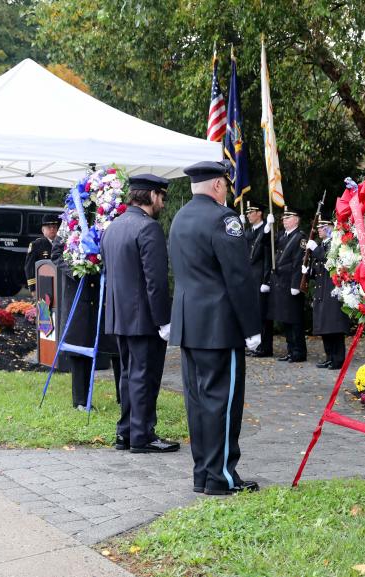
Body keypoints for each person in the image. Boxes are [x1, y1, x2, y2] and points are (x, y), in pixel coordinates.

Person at [169, 160, 261, 495]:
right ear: (218, 186)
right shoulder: (224, 219)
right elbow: (238, 277)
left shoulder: (180, 217)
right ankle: (221, 477)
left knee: (198, 402)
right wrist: (252, 327)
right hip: (220, 328)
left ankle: (204, 474)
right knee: (223, 402)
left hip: (189, 325)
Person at [100, 174, 179, 454]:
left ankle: (126, 432)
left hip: (120, 315)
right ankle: (142, 435)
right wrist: (164, 320)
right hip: (144, 317)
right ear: (153, 195)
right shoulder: (148, 228)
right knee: (144, 377)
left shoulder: (114, 226)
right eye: (162, 197)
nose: (163, 203)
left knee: (128, 375)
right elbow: (155, 281)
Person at [51, 230, 121, 411]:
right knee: (80, 345)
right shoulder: (69, 222)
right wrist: (76, 269)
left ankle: (124, 395)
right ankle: (81, 400)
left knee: (116, 346)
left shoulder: (107, 216)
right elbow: (56, 254)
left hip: (102, 293)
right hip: (79, 293)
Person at [307, 218, 351, 369]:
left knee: (334, 325)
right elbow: (320, 267)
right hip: (322, 289)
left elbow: (329, 259)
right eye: (318, 227)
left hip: (332, 289)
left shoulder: (335, 244)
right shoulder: (322, 244)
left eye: (323, 227)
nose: (319, 229)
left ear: (331, 228)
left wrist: (315, 250)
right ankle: (329, 356)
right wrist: (309, 271)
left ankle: (338, 359)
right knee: (324, 326)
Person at [269, 207, 307, 362]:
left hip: (292, 283)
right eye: (283, 218)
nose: (284, 220)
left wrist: (296, 284)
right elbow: (269, 244)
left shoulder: (300, 237)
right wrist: (268, 228)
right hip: (281, 284)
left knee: (295, 320)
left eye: (288, 217)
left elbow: (299, 262)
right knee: (286, 319)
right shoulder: (283, 236)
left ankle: (299, 351)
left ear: (296, 219)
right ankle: (291, 350)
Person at [244, 202, 275, 358]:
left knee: (263, 314)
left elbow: (268, 257)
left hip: (261, 278)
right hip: (250, 279)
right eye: (247, 213)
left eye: (251, 212)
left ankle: (265, 347)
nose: (248, 215)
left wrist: (266, 280)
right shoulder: (250, 231)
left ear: (259, 214)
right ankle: (255, 345)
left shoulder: (266, 230)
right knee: (253, 314)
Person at [24, 214, 60, 295]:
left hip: (59, 283)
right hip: (43, 283)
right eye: (49, 227)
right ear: (43, 230)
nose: (52, 229)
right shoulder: (37, 245)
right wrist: (33, 287)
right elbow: (29, 267)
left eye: (54, 227)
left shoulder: (62, 244)